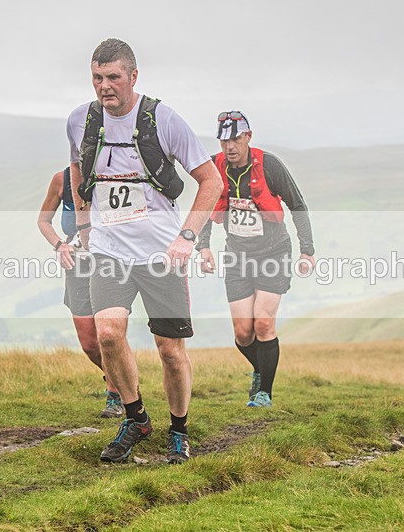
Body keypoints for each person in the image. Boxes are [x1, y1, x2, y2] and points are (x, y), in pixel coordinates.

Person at [62, 39, 222, 464]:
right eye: (97, 78)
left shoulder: (163, 120)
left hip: (161, 254)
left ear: (133, 76)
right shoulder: (81, 120)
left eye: (113, 77)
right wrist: (83, 224)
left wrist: (186, 237)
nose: (104, 86)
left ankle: (179, 430)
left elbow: (211, 181)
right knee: (109, 334)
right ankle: (136, 418)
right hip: (109, 251)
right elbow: (78, 170)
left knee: (170, 350)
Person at [196, 111, 315, 407]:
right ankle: (261, 371)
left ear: (248, 136)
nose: (230, 146)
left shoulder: (269, 165)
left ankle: (264, 393)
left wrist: (307, 250)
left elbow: (297, 204)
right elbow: (206, 202)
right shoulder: (216, 167)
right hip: (237, 255)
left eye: (236, 138)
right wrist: (203, 245)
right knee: (243, 333)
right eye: (224, 140)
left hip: (273, 252)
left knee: (263, 324)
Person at [37, 167, 125, 418]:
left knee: (106, 334)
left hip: (110, 265)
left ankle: (115, 396)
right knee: (89, 344)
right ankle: (120, 378)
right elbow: (43, 221)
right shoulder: (61, 180)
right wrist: (59, 245)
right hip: (77, 266)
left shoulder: (115, 175)